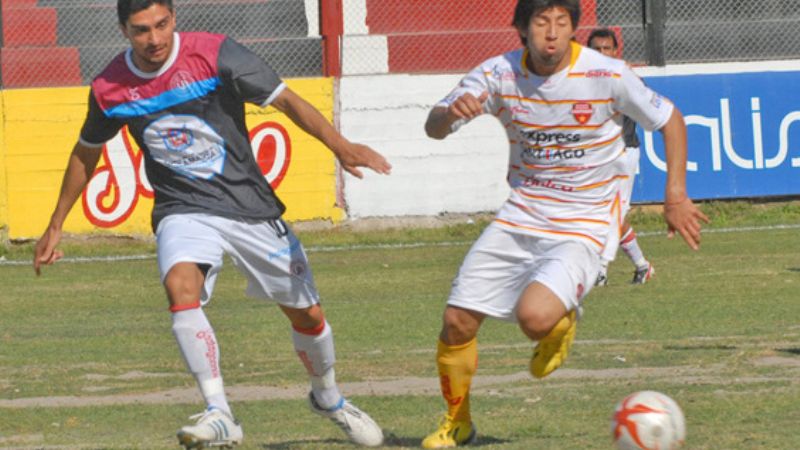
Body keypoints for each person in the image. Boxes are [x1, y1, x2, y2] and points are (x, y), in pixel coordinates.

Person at [32, 1, 390, 448]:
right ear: (123, 29)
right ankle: (219, 411)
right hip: (182, 207)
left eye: (161, 25)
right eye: (141, 30)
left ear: (174, 19)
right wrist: (55, 224)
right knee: (180, 288)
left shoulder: (217, 54)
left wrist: (341, 145)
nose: (154, 39)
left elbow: (288, 101)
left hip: (248, 206)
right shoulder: (110, 87)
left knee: (308, 314)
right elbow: (87, 151)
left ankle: (328, 397)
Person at [421, 0, 709, 447]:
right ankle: (458, 422)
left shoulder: (605, 73)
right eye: (541, 23)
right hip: (522, 211)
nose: (552, 33)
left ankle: (560, 324)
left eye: (562, 23)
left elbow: (670, 119)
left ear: (573, 28)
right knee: (457, 320)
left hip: (587, 219)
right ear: (521, 28)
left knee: (533, 318)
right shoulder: (497, 74)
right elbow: (433, 128)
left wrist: (675, 195)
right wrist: (448, 113)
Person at [588, 27, 654, 286]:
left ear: (616, 51)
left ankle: (601, 270)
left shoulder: (624, 77)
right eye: (597, 49)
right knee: (602, 212)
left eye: (607, 48)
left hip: (624, 151)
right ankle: (642, 265)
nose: (602, 53)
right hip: (595, 155)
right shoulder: (581, 79)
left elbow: (648, 102)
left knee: (612, 214)